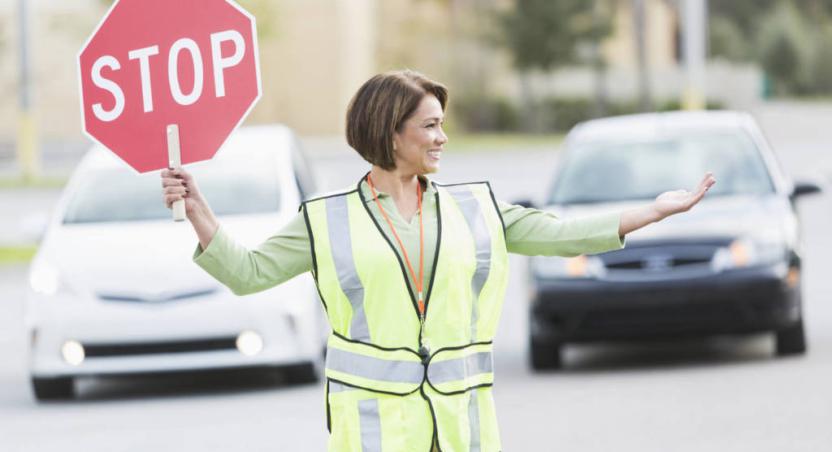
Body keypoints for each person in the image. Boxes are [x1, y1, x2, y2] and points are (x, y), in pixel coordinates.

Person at [161, 70, 716, 452]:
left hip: (460, 429)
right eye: (429, 125)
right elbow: (247, 273)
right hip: (376, 435)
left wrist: (651, 212)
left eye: (441, 123)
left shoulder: (475, 206)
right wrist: (198, 212)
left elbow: (560, 234)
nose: (442, 137)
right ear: (389, 133)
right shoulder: (325, 219)